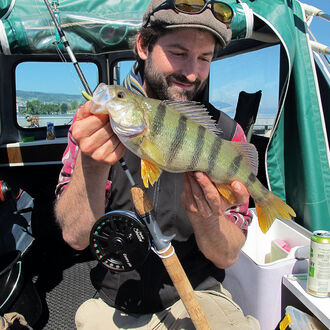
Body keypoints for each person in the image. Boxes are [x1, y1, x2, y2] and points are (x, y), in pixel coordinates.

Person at [54, 0, 260, 328]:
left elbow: (227, 256)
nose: (192, 72)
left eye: (204, 58)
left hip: (200, 290)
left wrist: (207, 220)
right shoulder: (94, 126)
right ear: (143, 45)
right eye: (178, 52)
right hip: (117, 294)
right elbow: (76, 237)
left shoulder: (225, 135)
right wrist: (91, 167)